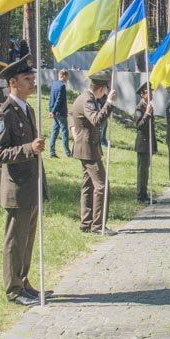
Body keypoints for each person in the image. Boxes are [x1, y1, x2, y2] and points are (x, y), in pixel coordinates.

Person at [0, 56, 47, 305]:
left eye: (32, 78)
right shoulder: (5, 114)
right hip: (17, 187)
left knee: (28, 238)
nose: (32, 82)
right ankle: (13, 288)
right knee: (15, 240)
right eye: (27, 79)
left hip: (31, 185)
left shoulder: (27, 109)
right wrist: (28, 148)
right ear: (13, 82)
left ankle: (24, 281)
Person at [70, 72, 117, 233]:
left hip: (85, 148)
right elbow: (96, 120)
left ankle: (86, 221)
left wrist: (72, 127)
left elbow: (71, 112)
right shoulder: (88, 100)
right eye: (105, 91)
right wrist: (109, 102)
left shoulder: (83, 97)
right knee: (101, 186)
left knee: (88, 186)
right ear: (102, 89)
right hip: (88, 149)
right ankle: (98, 225)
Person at [134, 83, 157, 203]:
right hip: (142, 144)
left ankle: (145, 194)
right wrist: (147, 114)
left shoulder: (148, 106)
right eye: (148, 92)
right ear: (142, 94)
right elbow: (139, 126)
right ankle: (140, 196)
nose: (151, 94)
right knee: (142, 172)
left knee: (146, 171)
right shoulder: (139, 108)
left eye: (151, 91)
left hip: (148, 144)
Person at [48, 69, 71, 158]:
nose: (68, 79)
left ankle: (52, 151)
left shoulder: (54, 84)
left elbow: (51, 98)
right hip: (60, 112)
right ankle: (67, 152)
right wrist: (53, 111)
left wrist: (51, 110)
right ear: (63, 76)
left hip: (55, 112)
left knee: (55, 131)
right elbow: (58, 100)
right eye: (67, 77)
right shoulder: (62, 86)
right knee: (65, 132)